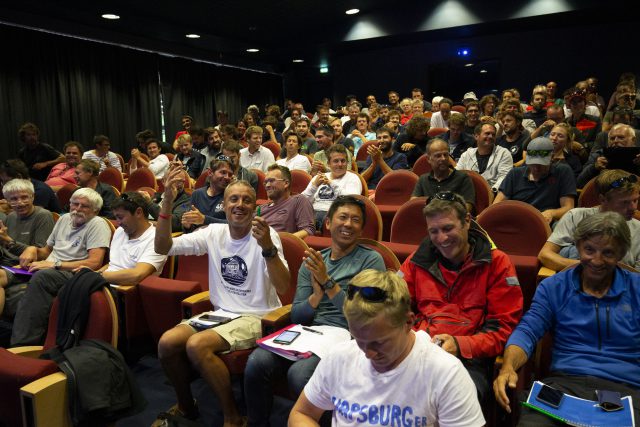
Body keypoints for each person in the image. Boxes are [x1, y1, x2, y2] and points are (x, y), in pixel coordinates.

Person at [153, 164, 290, 427]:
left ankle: (232, 416)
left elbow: (283, 287)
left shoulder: (266, 235)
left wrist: (267, 248)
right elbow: (163, 246)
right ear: (223, 205)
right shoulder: (214, 233)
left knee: (196, 345)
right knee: (167, 343)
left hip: (256, 316)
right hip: (220, 315)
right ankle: (186, 406)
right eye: (233, 199)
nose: (240, 205)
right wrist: (167, 202)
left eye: (247, 200)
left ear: (255, 207)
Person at [245, 196, 386, 426]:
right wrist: (314, 297)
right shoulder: (313, 261)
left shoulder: (371, 260)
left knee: (299, 374)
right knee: (257, 362)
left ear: (361, 228)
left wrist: (327, 283)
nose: (348, 224)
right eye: (342, 217)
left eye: (355, 220)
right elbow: (299, 315)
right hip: (310, 333)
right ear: (328, 223)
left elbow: (364, 315)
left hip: (348, 335)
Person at [494, 211, 640, 425]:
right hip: (564, 383)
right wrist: (507, 368)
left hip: (625, 389)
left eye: (608, 253)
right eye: (589, 250)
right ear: (578, 246)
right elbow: (527, 331)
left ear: (621, 254)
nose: (597, 261)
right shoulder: (554, 287)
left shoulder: (636, 289)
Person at [288, 269, 485, 427]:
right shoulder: (340, 357)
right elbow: (301, 413)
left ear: (408, 322)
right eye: (358, 339)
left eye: (379, 342)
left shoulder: (446, 373)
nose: (367, 353)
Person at [400, 192, 523, 400]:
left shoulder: (497, 263)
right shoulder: (416, 260)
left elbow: (502, 330)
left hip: (470, 359)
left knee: (439, 400)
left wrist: (460, 345)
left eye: (448, 228)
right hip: (415, 351)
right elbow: (393, 310)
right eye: (434, 231)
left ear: (467, 221)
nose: (442, 238)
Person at [10, 188, 111, 346]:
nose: (77, 209)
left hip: (71, 273)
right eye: (74, 204)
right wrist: (32, 249)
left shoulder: (97, 224)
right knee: (3, 275)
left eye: (84, 206)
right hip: (48, 267)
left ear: (95, 210)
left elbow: (94, 263)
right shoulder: (64, 220)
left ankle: (22, 346)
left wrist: (55, 265)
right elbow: (46, 251)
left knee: (43, 277)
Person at [539, 169, 640, 271]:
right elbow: (545, 255)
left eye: (635, 200)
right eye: (625, 202)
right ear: (603, 199)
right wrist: (592, 266)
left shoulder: (638, 229)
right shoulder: (576, 216)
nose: (633, 208)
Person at [79, 192, 166, 288]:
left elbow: (136, 275)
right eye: (116, 217)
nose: (118, 223)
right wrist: (95, 273)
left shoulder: (158, 240)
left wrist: (95, 276)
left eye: (120, 217)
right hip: (103, 284)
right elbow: (113, 265)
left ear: (138, 212)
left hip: (125, 293)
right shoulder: (120, 231)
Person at [0, 179, 55, 317]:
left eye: (24, 197)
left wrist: (9, 241)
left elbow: (41, 254)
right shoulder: (11, 216)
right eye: (14, 199)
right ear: (7, 201)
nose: (20, 202)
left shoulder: (43, 216)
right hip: (7, 265)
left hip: (24, 269)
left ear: (33, 197)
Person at [494, 137, 576, 224]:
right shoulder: (515, 173)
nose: (536, 168)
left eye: (541, 164)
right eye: (532, 164)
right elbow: (496, 205)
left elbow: (568, 208)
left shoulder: (562, 172)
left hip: (545, 222)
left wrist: (552, 213)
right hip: (516, 220)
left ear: (552, 157)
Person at [302, 144, 362, 229]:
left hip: (335, 215)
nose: (340, 164)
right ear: (328, 164)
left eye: (343, 161)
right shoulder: (319, 177)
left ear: (347, 163)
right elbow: (302, 201)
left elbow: (351, 201)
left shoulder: (352, 178)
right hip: (313, 214)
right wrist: (314, 186)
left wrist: (331, 184)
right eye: (336, 161)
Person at [411, 139, 475, 212]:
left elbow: (467, 207)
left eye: (445, 155)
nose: (443, 158)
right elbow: (413, 203)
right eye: (438, 156)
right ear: (428, 159)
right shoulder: (423, 179)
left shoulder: (463, 178)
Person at [259, 164, 315, 239]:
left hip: (281, 248)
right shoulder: (260, 208)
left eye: (272, 181)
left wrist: (277, 241)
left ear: (286, 183)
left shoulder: (298, 201)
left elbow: (308, 231)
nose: (267, 185)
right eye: (265, 182)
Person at [577, 123, 639, 188]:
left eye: (621, 137)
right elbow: (579, 183)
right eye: (612, 138)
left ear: (633, 140)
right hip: (607, 193)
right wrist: (594, 168)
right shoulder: (598, 155)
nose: (615, 141)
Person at [456, 123, 513, 193]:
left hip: (494, 193)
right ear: (476, 136)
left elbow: (504, 177)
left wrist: (491, 191)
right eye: (487, 133)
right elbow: (457, 175)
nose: (491, 136)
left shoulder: (503, 153)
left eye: (493, 134)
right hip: (468, 193)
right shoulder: (466, 155)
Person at [182, 157, 233, 231]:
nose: (227, 177)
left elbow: (235, 225)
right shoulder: (197, 194)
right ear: (210, 173)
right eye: (223, 172)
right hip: (197, 238)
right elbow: (189, 228)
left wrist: (204, 219)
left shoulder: (232, 197)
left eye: (230, 174)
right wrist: (187, 226)